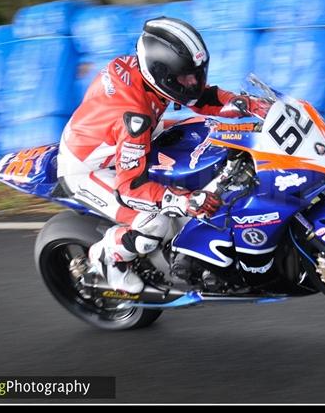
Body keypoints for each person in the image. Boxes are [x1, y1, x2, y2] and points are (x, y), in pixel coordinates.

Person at [57, 17, 269, 293]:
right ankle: (107, 258)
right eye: (184, 77)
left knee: (215, 139)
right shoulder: (134, 117)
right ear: (161, 74)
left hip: (131, 140)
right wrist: (182, 200)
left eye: (196, 73)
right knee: (154, 223)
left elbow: (199, 97)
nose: (193, 82)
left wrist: (246, 104)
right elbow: (130, 188)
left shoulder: (144, 72)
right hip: (91, 168)